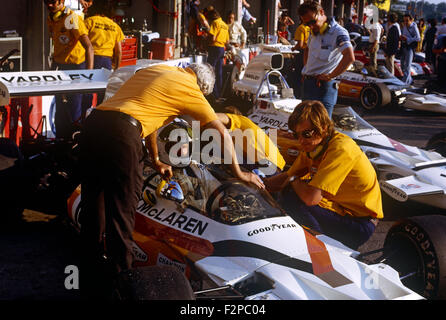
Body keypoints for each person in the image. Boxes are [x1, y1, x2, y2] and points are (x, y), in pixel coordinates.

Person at [79, 63, 264, 299]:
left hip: (95, 124)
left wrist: (155, 159)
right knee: (122, 213)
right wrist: (240, 173)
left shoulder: (155, 70)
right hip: (122, 134)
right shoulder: (191, 88)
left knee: (94, 207)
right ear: (203, 86)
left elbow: (151, 117)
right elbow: (221, 132)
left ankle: (88, 282)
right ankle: (122, 286)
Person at [264, 100, 383, 249]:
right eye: (296, 135)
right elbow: (287, 176)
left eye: (306, 134)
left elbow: (310, 198)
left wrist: (293, 180)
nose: (301, 140)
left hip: (360, 225)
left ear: (323, 128)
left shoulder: (340, 149)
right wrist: (258, 183)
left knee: (293, 195)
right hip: (342, 212)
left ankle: (321, 251)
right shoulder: (314, 145)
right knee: (285, 194)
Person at [44, 0, 94, 139]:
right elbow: (57, 45)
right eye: (46, 2)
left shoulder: (72, 18)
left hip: (77, 68)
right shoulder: (51, 19)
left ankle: (74, 144)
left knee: (74, 112)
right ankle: (61, 142)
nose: (49, 5)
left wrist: (89, 75)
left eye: (53, 2)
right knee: (60, 111)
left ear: (62, 1)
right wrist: (53, 67)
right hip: (60, 68)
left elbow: (89, 47)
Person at [297, 1, 355, 117]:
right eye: (307, 24)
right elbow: (307, 49)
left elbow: (349, 57)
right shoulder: (313, 31)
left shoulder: (338, 32)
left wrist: (330, 76)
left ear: (321, 12)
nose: (311, 26)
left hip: (323, 87)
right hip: (308, 84)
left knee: (321, 128)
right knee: (305, 125)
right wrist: (306, 68)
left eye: (313, 22)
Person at [216, 109, 286, 176]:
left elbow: (213, 117)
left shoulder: (237, 120)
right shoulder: (245, 127)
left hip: (267, 165)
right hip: (276, 166)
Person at [83, 0, 124, 107]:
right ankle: (99, 116)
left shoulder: (89, 21)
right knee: (103, 93)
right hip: (106, 62)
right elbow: (119, 52)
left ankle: (83, 118)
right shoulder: (115, 26)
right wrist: (116, 69)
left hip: (90, 60)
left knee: (87, 89)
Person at [205, 7, 229, 99]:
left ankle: (213, 94)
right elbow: (227, 41)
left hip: (214, 47)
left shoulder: (215, 23)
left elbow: (213, 38)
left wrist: (206, 41)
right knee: (219, 72)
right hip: (222, 48)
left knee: (210, 70)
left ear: (213, 16)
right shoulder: (225, 25)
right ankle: (218, 94)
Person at [400, 14, 420, 85]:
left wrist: (407, 39)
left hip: (410, 48)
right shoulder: (405, 26)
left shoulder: (414, 27)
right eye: (404, 21)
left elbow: (418, 38)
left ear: (411, 20)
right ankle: (410, 80)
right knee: (402, 65)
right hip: (404, 46)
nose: (405, 22)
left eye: (407, 21)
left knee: (407, 66)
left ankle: (404, 82)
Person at [292, 21, 310, 98]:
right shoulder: (310, 28)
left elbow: (300, 44)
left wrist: (293, 48)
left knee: (298, 75)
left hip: (302, 54)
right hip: (310, 54)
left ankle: (298, 95)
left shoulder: (301, 28)